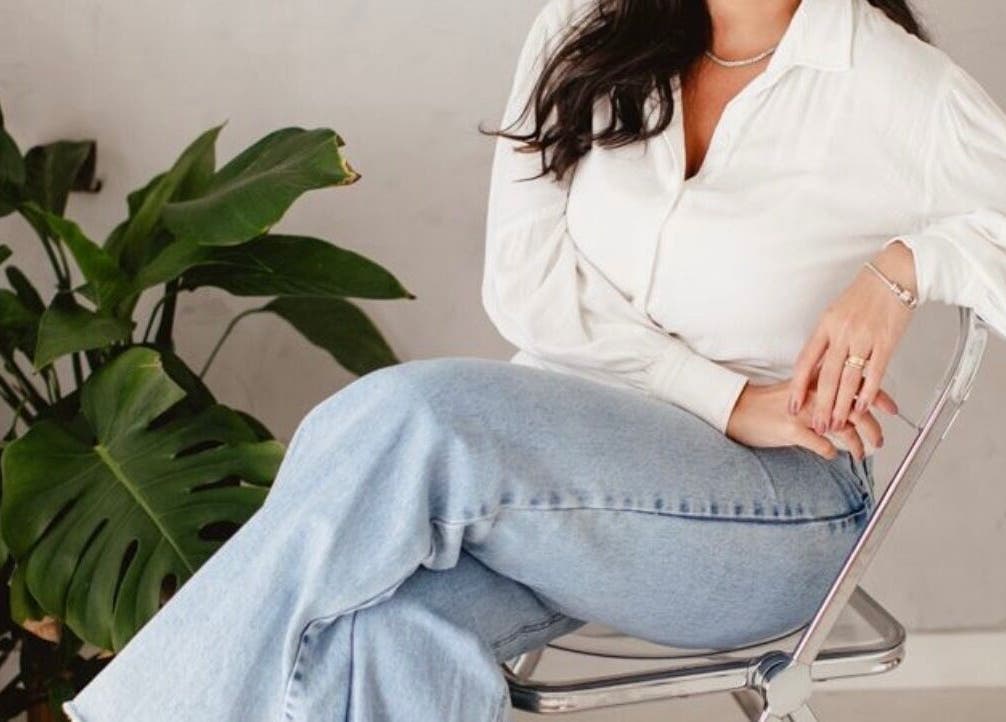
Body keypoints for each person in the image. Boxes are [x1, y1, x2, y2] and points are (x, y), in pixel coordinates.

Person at [64, 0, 1006, 720]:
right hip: (563, 484)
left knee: (419, 421)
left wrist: (904, 269)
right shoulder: (587, 30)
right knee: (387, 628)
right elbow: (527, 288)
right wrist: (720, 396)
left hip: (774, 516)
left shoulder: (891, 85)